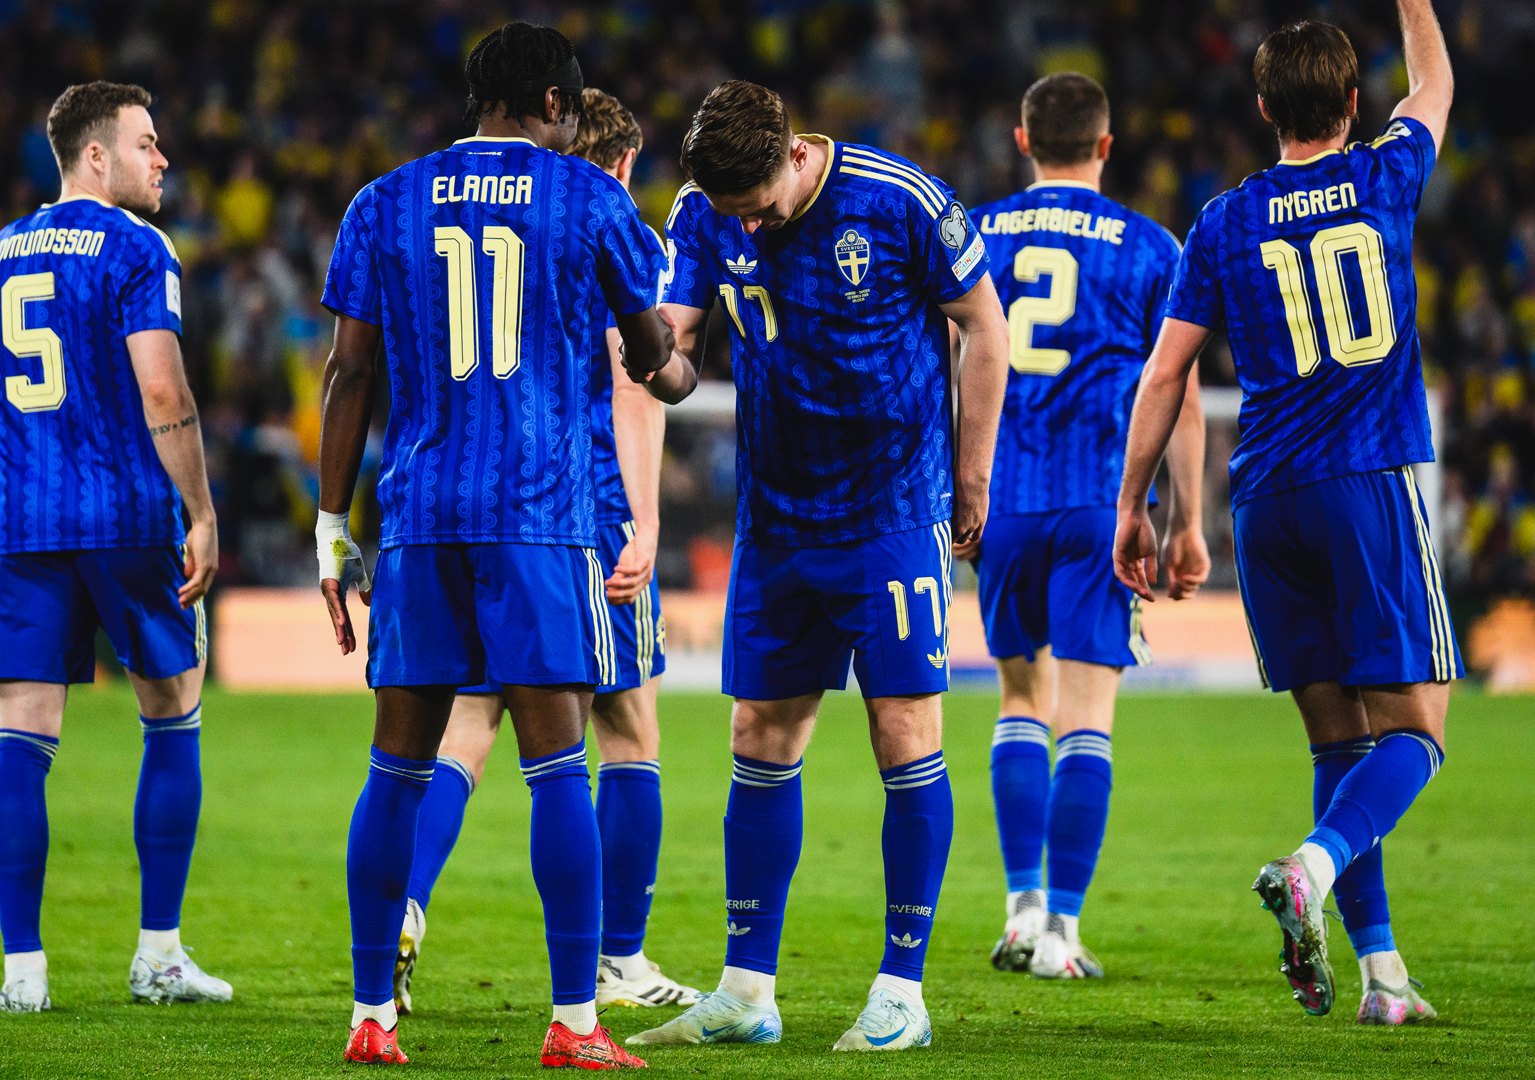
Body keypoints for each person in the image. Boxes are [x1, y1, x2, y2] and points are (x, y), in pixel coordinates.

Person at [624, 79, 1010, 1053]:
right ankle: (748, 991)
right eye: (728, 210)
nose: (743, 224)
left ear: (795, 153)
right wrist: (649, 357)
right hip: (778, 521)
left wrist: (972, 483)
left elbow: (987, 329)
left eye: (755, 203)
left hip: (891, 516)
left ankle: (901, 990)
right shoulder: (704, 211)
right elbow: (679, 357)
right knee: (759, 735)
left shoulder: (898, 201)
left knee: (904, 733)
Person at [314, 23, 673, 1069]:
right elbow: (650, 354)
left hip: (419, 515)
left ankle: (370, 1016)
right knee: (561, 767)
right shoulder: (590, 197)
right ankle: (574, 1023)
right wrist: (681, 374)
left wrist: (333, 526)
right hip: (541, 516)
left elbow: (349, 375)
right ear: (558, 106)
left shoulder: (381, 202)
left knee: (396, 769)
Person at [1112, 0, 1457, 1026]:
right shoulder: (1387, 174)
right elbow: (1435, 88)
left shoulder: (1221, 220)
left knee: (1337, 744)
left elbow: (1166, 372)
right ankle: (1311, 865)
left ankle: (1384, 978)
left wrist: (1141, 505)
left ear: (1265, 108)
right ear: (1355, 103)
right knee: (1417, 732)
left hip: (1265, 500)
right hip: (1368, 480)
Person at [389, 87, 699, 1016]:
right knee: (626, 729)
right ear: (623, 163)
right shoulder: (601, 227)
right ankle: (618, 961)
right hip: (580, 510)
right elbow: (639, 387)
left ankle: (404, 898)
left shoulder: (494, 217)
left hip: (473, 507)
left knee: (469, 725)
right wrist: (642, 521)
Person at [0, 81, 228, 1013]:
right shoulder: (138, 247)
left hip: (24, 529)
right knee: (173, 709)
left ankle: (21, 973)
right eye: (147, 144)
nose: (162, 160)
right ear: (95, 156)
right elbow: (162, 391)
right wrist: (201, 509)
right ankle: (158, 955)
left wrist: (18, 496)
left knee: (22, 738)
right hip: (126, 521)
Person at [969, 72, 1208, 982]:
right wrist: (1185, 520)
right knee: (1088, 721)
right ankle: (1062, 933)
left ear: (1023, 141)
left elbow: (949, 358)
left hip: (1004, 500)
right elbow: (1176, 396)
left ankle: (1021, 911)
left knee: (1019, 701)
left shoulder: (977, 235)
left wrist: (960, 485)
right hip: (1102, 505)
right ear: (1107, 146)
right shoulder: (1152, 248)